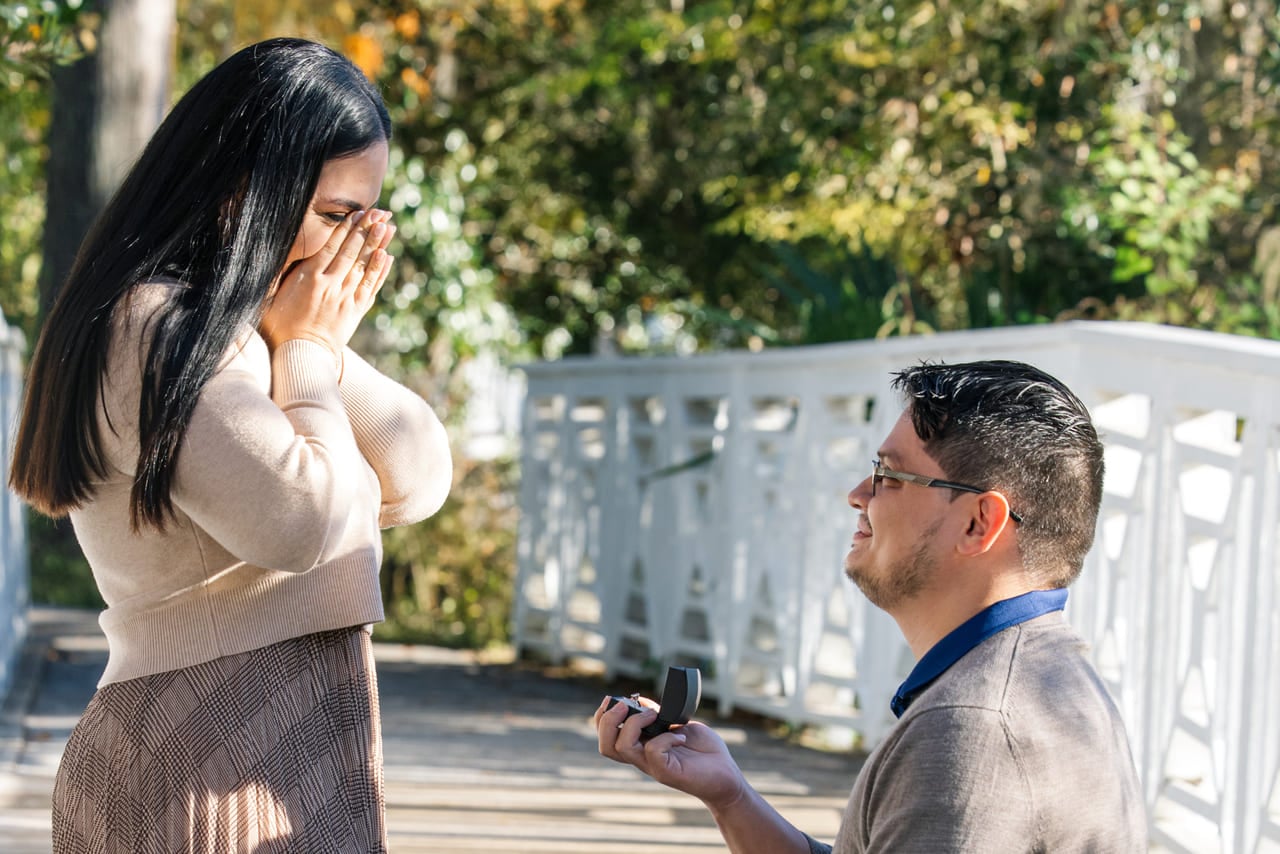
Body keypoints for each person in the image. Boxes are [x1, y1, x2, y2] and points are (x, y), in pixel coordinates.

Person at [9, 38, 452, 852]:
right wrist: (310, 350)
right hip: (202, 758)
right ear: (241, 187)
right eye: (333, 216)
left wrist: (309, 340)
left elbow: (418, 474)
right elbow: (301, 524)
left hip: (279, 754)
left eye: (366, 221)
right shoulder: (152, 326)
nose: (346, 251)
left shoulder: (254, 336)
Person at [595, 360, 1147, 852]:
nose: (859, 493)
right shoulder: (1045, 678)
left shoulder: (971, 731)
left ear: (979, 522)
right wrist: (731, 797)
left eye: (889, 474)